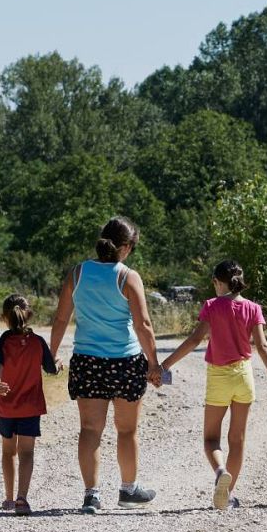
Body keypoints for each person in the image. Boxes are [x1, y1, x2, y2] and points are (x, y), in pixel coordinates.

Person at [48, 216, 163, 513]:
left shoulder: (77, 274)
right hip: (125, 362)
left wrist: (52, 352)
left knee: (89, 430)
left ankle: (91, 495)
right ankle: (128, 491)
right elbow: (144, 324)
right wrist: (154, 363)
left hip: (87, 362)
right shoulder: (127, 277)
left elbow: (61, 319)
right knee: (126, 431)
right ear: (125, 247)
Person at [159, 260, 267, 510]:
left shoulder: (212, 306)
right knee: (237, 440)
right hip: (244, 377)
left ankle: (220, 472)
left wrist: (166, 365)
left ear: (217, 282)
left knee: (210, 438)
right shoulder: (253, 308)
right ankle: (228, 493)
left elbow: (194, 340)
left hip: (218, 377)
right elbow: (263, 346)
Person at [0, 294, 58, 516]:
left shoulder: (0, 343)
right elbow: (51, 369)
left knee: (9, 452)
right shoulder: (38, 342)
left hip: (7, 407)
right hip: (30, 406)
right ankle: (21, 500)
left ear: (3, 318)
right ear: (30, 315)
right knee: (26, 453)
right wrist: (59, 363)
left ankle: (8, 498)